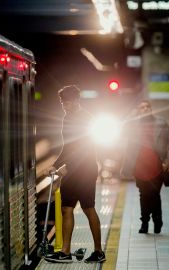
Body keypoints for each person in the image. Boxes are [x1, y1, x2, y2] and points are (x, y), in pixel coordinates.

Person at [44, 85, 106, 263]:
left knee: (88, 208)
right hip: (72, 172)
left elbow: (85, 148)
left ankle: (98, 251)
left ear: (76, 100)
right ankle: (65, 252)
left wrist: (67, 166)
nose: (65, 105)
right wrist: (55, 164)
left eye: (67, 102)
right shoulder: (67, 118)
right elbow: (68, 146)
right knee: (66, 208)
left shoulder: (87, 119)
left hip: (85, 170)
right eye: (63, 102)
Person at [120, 100, 169, 234]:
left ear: (151, 109)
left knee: (154, 194)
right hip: (139, 166)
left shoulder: (161, 122)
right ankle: (144, 222)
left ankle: (157, 221)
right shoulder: (133, 123)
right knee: (143, 195)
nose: (145, 109)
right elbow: (122, 130)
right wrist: (131, 114)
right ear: (139, 110)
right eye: (142, 107)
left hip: (157, 164)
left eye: (147, 107)